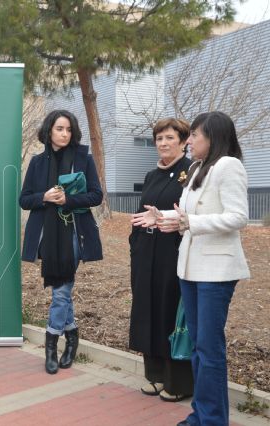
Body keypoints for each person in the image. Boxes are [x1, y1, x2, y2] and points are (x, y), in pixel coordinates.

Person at [133, 111, 249, 426]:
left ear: (213, 137)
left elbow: (238, 216)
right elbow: (185, 218)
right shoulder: (198, 168)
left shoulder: (228, 166)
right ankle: (201, 415)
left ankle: (212, 420)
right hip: (190, 270)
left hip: (216, 273)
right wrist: (164, 219)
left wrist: (189, 222)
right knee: (198, 348)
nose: (191, 140)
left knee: (209, 351)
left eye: (195, 135)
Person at [19, 109, 103, 375]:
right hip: (48, 235)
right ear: (49, 131)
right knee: (62, 291)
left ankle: (51, 347)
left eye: (68, 129)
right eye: (59, 129)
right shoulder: (37, 162)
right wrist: (44, 196)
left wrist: (68, 200)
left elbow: (96, 196)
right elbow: (24, 200)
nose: (64, 134)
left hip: (75, 234)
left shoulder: (83, 159)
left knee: (60, 292)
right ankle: (72, 335)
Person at [129, 118, 194, 402]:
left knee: (169, 311)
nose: (163, 144)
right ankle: (153, 375)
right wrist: (135, 244)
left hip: (174, 253)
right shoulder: (150, 175)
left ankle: (177, 381)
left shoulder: (191, 173)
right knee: (147, 310)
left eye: (170, 138)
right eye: (159, 139)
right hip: (146, 253)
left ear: (183, 141)